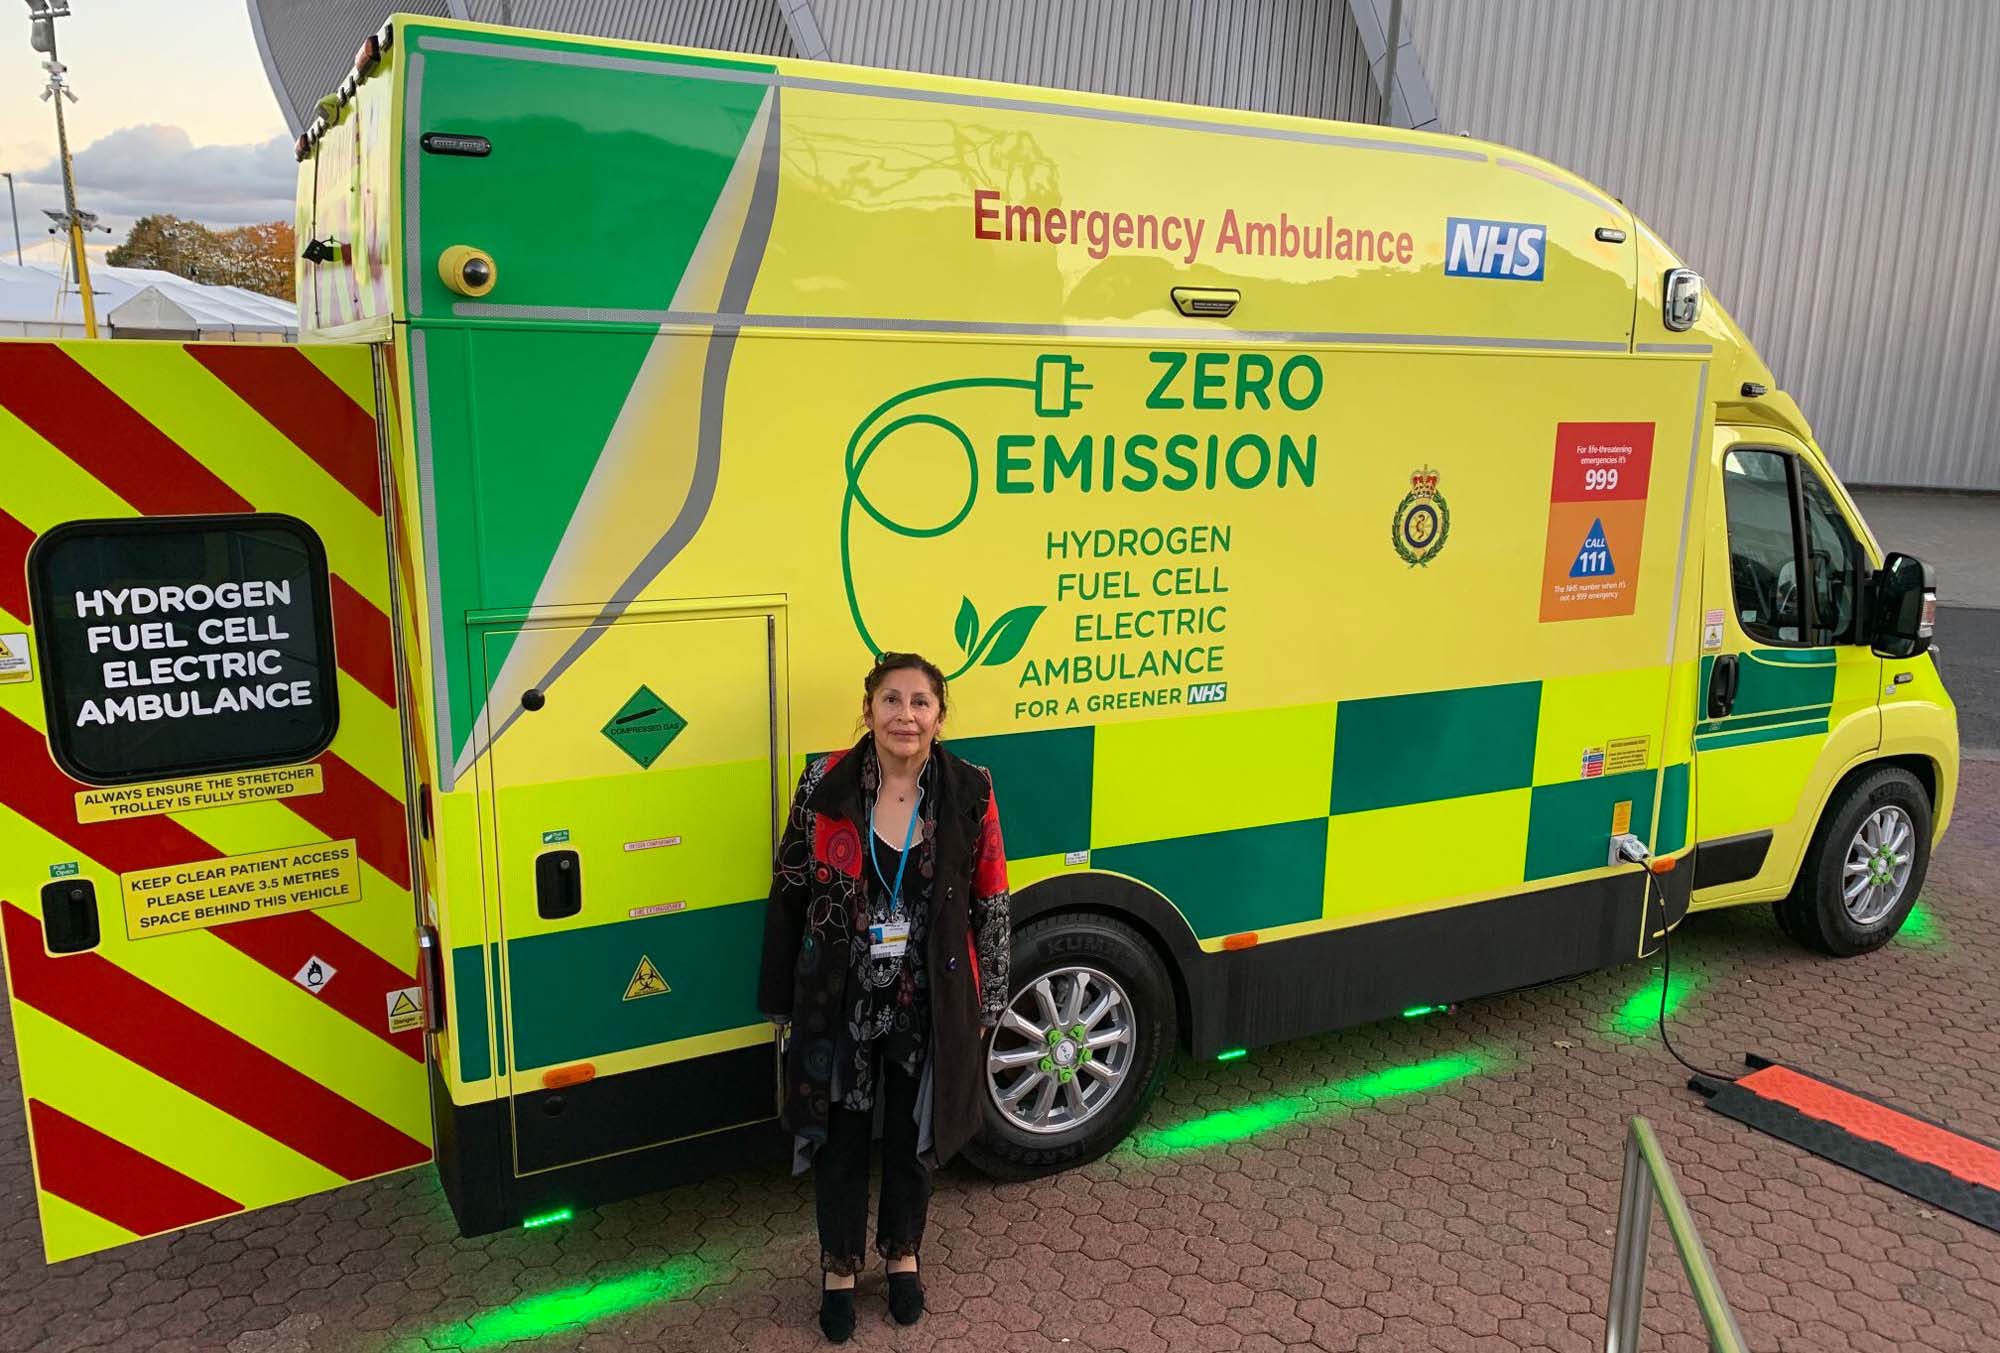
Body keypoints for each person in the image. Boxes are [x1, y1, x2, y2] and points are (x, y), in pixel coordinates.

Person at [759, 652, 1013, 1343]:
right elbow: (788, 888)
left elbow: (991, 895)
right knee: (839, 1137)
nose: (906, 715)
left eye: (921, 702)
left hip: (926, 995)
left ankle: (902, 1252)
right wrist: (780, 997)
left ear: (939, 715)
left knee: (912, 1136)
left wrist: (990, 1002)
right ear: (868, 707)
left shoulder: (970, 789)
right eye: (892, 700)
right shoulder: (823, 781)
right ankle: (838, 1264)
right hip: (837, 997)